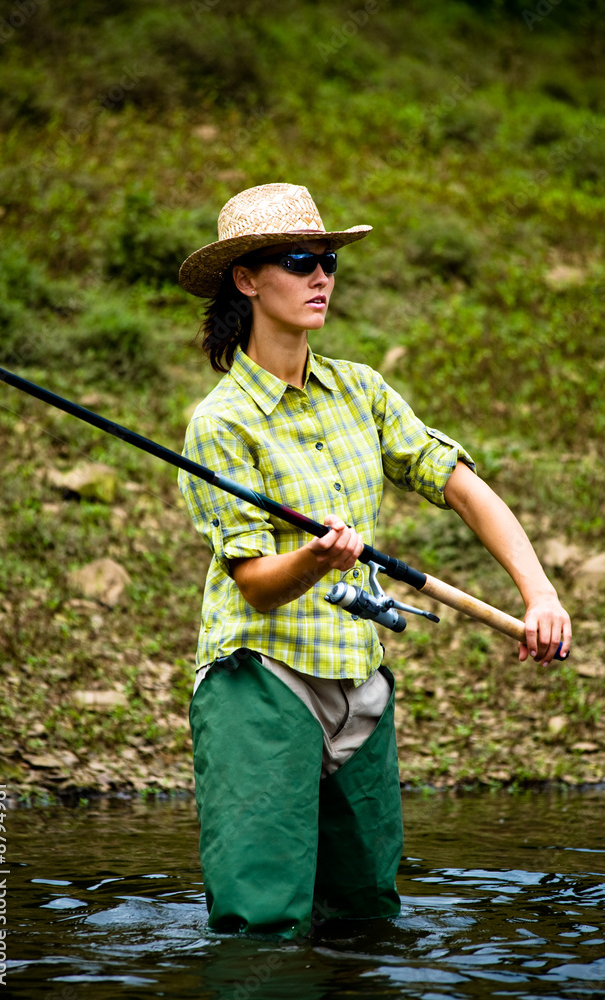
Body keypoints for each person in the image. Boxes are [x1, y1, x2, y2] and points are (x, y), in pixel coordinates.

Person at [177, 182, 571, 938]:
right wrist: (316, 562)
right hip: (258, 681)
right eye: (299, 260)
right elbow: (255, 585)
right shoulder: (220, 423)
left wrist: (539, 594)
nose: (320, 276)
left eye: (328, 261)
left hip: (361, 680)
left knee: (365, 920)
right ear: (247, 278)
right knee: (263, 924)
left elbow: (461, 487)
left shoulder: (361, 388)